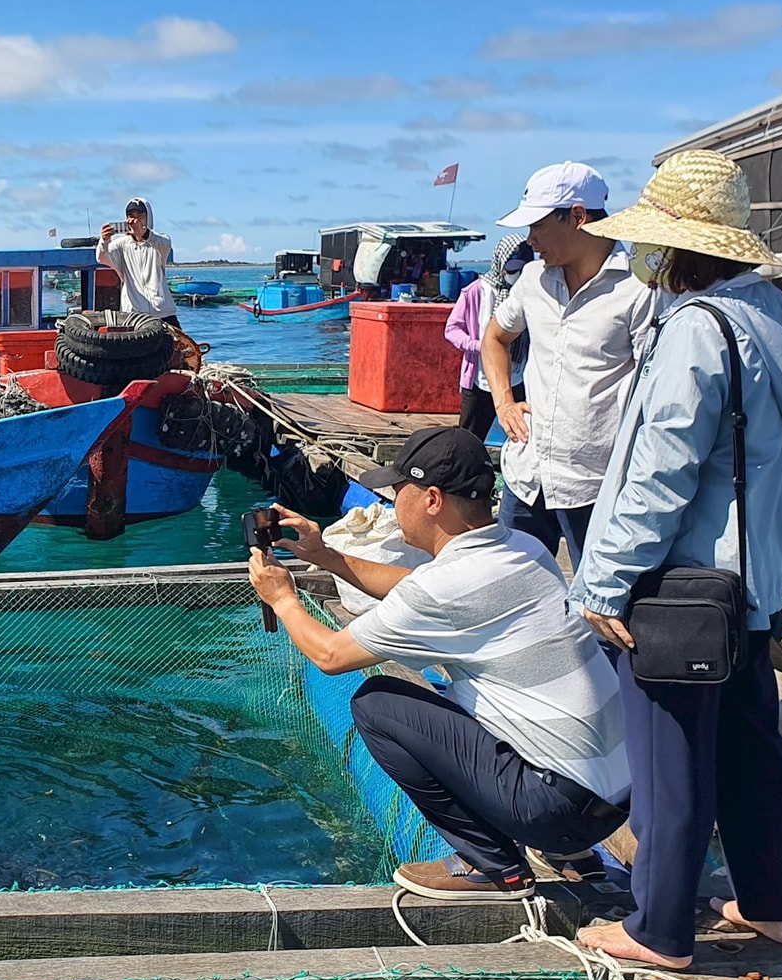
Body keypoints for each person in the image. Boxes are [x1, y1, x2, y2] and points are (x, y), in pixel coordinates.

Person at [568, 151, 782, 968]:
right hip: (752, 591)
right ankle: (769, 905)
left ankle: (657, 928)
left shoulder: (696, 327)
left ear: (675, 249)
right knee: (756, 749)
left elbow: (659, 471)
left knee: (670, 760)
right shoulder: (776, 320)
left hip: (679, 590)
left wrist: (609, 578)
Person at [247, 426, 631, 903]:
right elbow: (416, 587)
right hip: (614, 799)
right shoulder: (523, 550)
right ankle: (569, 857)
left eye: (395, 492)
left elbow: (329, 656)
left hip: (554, 810)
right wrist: (326, 555)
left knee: (377, 704)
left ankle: (492, 865)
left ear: (431, 499)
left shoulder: (446, 589)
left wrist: (282, 599)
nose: (391, 503)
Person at [480, 162, 658, 568]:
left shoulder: (638, 289)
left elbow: (655, 385)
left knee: (601, 612)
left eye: (538, 226)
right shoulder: (532, 280)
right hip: (527, 476)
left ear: (578, 217)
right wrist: (504, 403)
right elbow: (493, 338)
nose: (530, 239)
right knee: (509, 596)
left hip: (598, 483)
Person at [445, 235, 533, 440]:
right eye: (512, 268)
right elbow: (452, 329)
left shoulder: (528, 293)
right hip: (480, 380)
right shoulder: (475, 292)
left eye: (523, 268)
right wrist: (479, 346)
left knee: (524, 435)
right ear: (500, 263)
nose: (517, 274)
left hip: (518, 377)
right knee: (468, 439)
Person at [98, 198, 179, 326]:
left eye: (140, 216)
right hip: (133, 315)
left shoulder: (158, 241)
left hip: (163, 313)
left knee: (180, 344)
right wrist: (104, 240)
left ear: (148, 217)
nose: (135, 220)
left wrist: (145, 233)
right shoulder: (121, 245)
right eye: (131, 216)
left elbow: (165, 243)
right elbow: (102, 257)